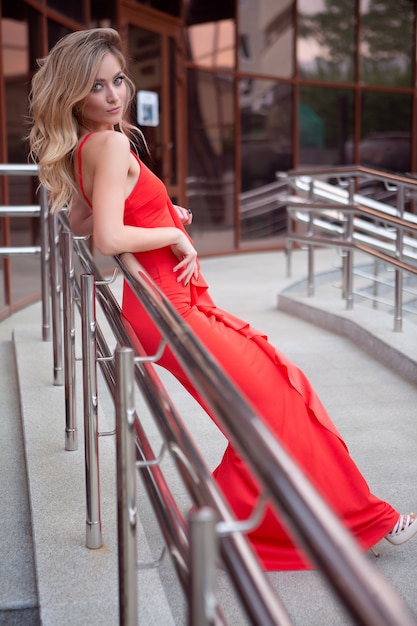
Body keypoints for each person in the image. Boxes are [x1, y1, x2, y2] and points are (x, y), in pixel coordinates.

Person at [28, 27, 417, 570]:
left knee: (270, 398)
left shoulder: (91, 146)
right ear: (75, 95)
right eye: (97, 87)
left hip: (167, 307)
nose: (114, 95)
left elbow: (83, 217)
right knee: (276, 403)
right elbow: (106, 238)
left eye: (118, 80)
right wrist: (170, 234)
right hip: (170, 309)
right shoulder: (112, 143)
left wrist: (163, 216)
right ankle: (357, 521)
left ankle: (301, 519)